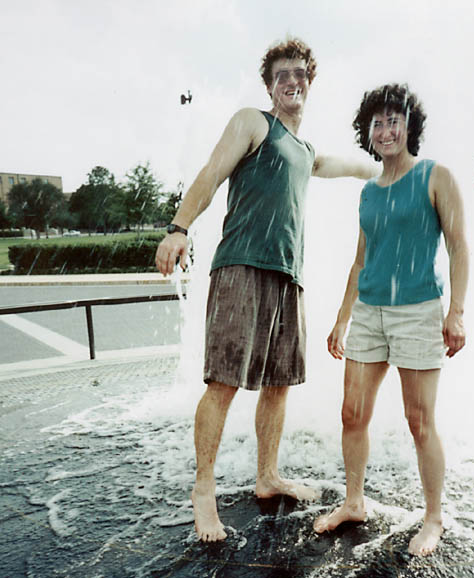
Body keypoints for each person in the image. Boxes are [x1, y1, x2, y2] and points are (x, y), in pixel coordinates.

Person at [155, 38, 376, 542]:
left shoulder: (306, 151)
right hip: (241, 267)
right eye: (281, 75)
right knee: (224, 382)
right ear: (270, 85)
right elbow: (212, 173)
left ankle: (267, 475)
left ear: (309, 83)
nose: (291, 80)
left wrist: (390, 166)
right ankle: (204, 490)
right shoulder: (253, 123)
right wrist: (180, 228)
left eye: (299, 73)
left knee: (278, 384)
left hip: (287, 276)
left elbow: (349, 166)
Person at [313, 83, 469, 556]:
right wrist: (342, 318)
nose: (385, 130)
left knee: (419, 420)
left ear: (409, 126)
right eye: (377, 123)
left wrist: (456, 312)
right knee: (352, 413)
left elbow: (459, 246)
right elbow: (361, 262)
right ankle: (354, 502)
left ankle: (434, 517)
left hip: (419, 313)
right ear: (369, 133)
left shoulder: (435, 176)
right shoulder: (368, 194)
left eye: (394, 120)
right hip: (370, 314)